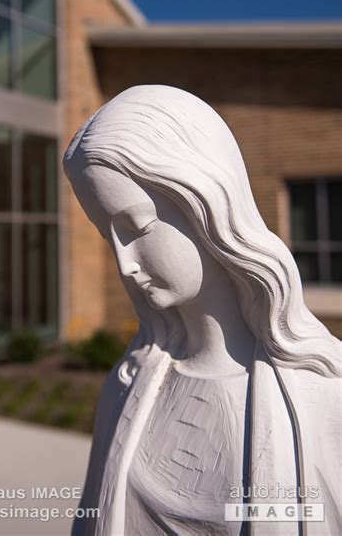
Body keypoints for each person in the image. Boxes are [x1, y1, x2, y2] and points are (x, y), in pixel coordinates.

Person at [63, 85, 341, 536]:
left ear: (205, 204)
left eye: (136, 226)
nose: (124, 263)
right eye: (105, 233)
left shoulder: (323, 400)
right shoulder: (127, 383)